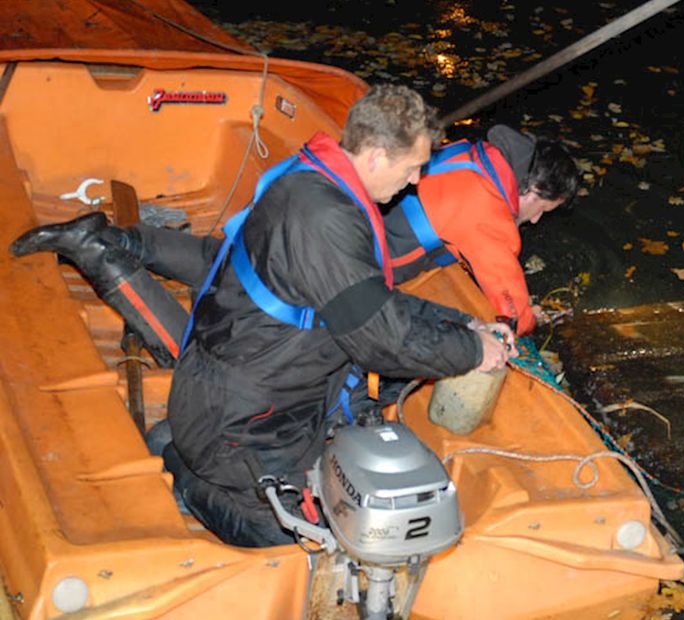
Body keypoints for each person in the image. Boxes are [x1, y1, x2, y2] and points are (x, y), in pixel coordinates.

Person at [9, 84, 513, 547]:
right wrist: (474, 351)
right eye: (412, 168)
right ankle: (183, 466)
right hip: (241, 422)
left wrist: (458, 323)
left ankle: (179, 441)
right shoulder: (326, 222)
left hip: (228, 394)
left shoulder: (310, 178)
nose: (417, 180)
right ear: (378, 155)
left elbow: (367, 301)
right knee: (292, 530)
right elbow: (381, 341)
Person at [386, 124, 579, 336]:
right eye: (541, 209)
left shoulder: (473, 154)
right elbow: (511, 310)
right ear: (534, 189)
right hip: (372, 260)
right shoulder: (487, 215)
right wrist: (530, 320)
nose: (535, 219)